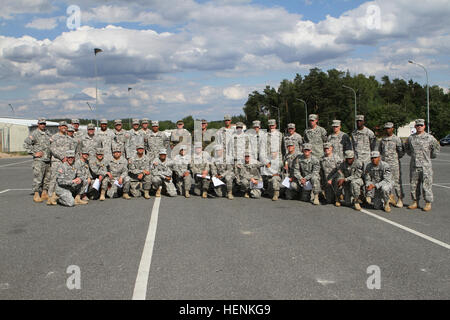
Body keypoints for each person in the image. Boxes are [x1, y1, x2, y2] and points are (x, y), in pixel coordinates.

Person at [404, 119, 440, 212]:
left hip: (426, 166)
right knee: (414, 185)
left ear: (424, 126)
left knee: (427, 185)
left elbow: (436, 148)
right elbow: (407, 148)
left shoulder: (430, 137)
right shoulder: (411, 138)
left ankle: (428, 203)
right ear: (415, 127)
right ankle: (415, 202)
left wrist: (430, 156)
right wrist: (412, 155)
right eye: (417, 125)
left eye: (421, 125)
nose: (419, 127)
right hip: (414, 165)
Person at [24, 118, 52, 202]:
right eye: (41, 124)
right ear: (38, 124)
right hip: (39, 160)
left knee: (47, 177)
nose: (43, 125)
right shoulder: (35, 133)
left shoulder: (48, 133)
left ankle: (44, 193)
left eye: (44, 124)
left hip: (48, 159)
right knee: (38, 177)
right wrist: (34, 153)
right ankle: (36, 194)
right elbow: (26, 144)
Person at [379, 122, 405, 207]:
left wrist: (395, 159)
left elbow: (401, 152)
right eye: (386, 128)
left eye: (389, 128)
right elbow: (380, 151)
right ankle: (389, 197)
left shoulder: (396, 139)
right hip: (385, 164)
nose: (387, 130)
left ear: (392, 129)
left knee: (397, 182)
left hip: (394, 164)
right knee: (385, 181)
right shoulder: (382, 139)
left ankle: (400, 199)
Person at [47, 121, 70, 205]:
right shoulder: (54, 137)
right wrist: (62, 157)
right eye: (62, 126)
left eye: (65, 126)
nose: (64, 127)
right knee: (54, 179)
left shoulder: (68, 138)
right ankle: (50, 197)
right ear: (59, 127)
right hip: (57, 161)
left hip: (66, 162)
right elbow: (52, 149)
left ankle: (58, 196)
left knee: (63, 179)